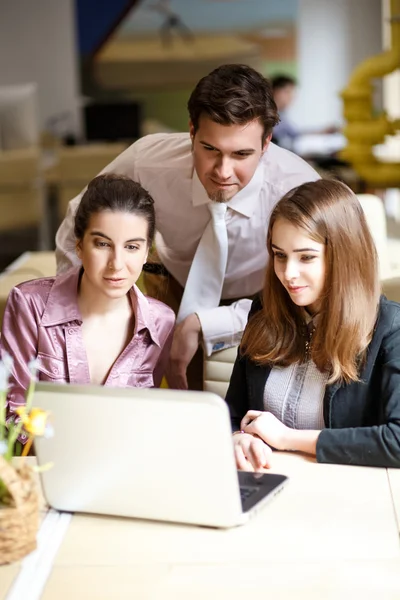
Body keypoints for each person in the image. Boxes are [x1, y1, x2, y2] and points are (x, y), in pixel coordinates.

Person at [56, 64, 319, 391]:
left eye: (241, 154)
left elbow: (322, 285)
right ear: (192, 130)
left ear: (266, 143)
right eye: (210, 149)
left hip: (269, 298)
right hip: (172, 283)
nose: (223, 171)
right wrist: (73, 315)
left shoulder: (297, 186)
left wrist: (206, 323)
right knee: (169, 402)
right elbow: (79, 217)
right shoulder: (147, 161)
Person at [226, 179, 400, 469]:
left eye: (306, 257)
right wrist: (237, 436)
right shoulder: (265, 310)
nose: (288, 273)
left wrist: (289, 438)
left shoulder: (390, 326)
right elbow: (233, 412)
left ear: (344, 255)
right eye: (279, 255)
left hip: (347, 493)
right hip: (265, 480)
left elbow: (396, 441)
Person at [1, 174, 175, 442]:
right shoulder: (30, 305)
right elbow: (14, 417)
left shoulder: (161, 322)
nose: (116, 264)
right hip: (43, 471)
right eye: (102, 244)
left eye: (131, 247)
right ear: (80, 246)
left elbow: (144, 419)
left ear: (146, 252)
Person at [271, 75, 338, 150]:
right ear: (275, 92)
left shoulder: (281, 115)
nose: (291, 97)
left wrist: (322, 131)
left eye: (292, 93)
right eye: (287, 92)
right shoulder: (268, 115)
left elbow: (296, 134)